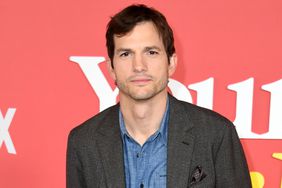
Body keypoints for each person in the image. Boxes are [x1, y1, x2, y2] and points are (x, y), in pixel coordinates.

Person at [67, 4, 252, 188]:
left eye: (151, 52)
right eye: (126, 54)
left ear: (171, 62)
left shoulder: (216, 134)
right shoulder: (84, 142)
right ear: (111, 68)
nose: (139, 65)